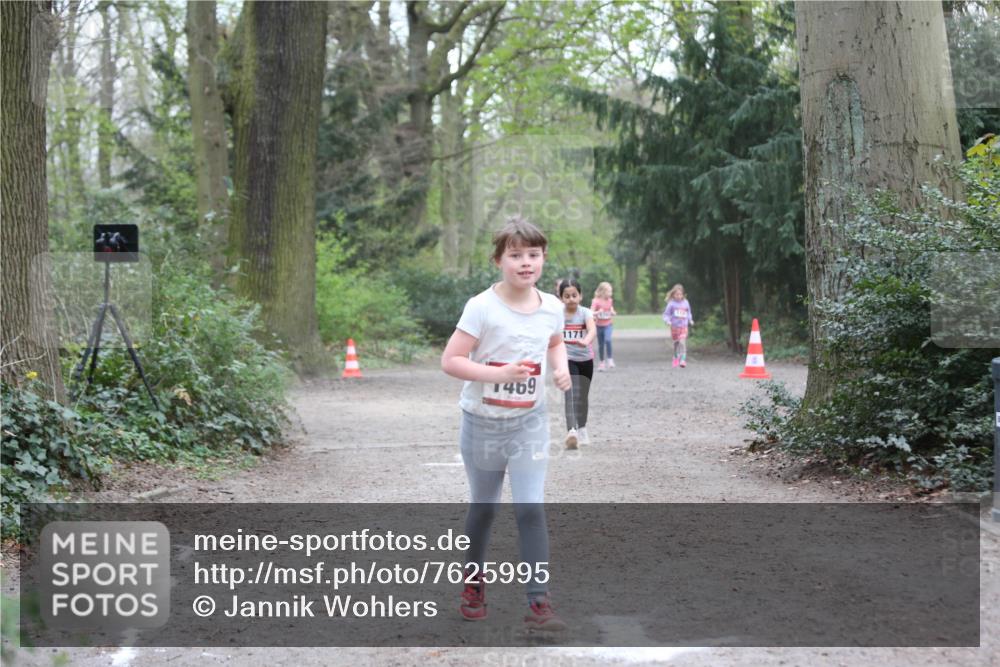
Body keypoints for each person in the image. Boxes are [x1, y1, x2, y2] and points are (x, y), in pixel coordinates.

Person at [441, 217, 571, 632]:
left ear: (543, 258)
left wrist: (561, 369)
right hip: (482, 423)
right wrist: (496, 375)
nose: (526, 263)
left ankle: (539, 604)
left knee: (530, 507)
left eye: (533, 254)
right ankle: (473, 585)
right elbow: (451, 361)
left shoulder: (551, 306)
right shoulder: (481, 307)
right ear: (498, 260)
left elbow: (554, 341)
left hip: (529, 422)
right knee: (485, 508)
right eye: (515, 255)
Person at [558, 279, 597, 449]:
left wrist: (586, 340)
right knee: (571, 394)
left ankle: (581, 428)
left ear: (580, 296)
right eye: (567, 296)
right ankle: (571, 431)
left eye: (574, 295)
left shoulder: (585, 312)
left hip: (585, 359)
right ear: (561, 298)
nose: (571, 299)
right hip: (567, 359)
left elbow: (592, 329)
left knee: (582, 397)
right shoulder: (558, 314)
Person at [663, 284, 694, 368]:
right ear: (673, 295)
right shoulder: (671, 304)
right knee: (676, 343)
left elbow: (688, 312)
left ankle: (683, 360)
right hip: (674, 328)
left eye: (680, 294)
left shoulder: (686, 302)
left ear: (683, 294)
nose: (679, 296)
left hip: (684, 327)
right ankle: (676, 356)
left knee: (682, 342)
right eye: (677, 294)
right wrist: (667, 321)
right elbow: (666, 314)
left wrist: (690, 320)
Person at [590, 282, 617, 371]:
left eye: (611, 292)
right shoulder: (595, 301)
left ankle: (610, 359)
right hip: (598, 326)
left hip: (608, 324)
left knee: (608, 340)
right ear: (602, 291)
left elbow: (611, 309)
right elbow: (591, 312)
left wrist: (613, 312)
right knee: (601, 345)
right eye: (609, 292)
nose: (610, 294)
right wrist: (598, 312)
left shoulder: (609, 300)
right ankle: (601, 362)